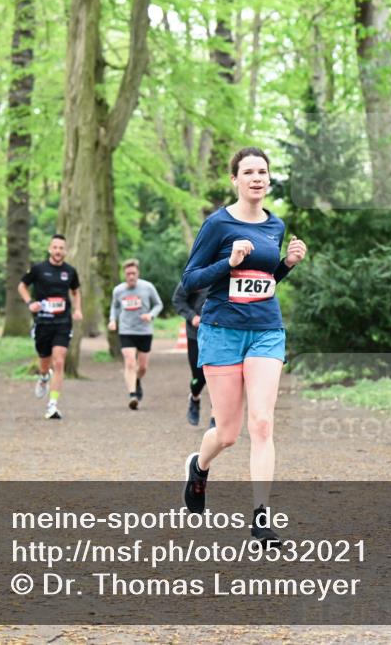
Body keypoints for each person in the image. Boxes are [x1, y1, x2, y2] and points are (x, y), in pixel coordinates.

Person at [179, 147, 307, 547]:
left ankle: (261, 518)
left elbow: (264, 282)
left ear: (269, 179)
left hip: (266, 330)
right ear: (235, 179)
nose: (257, 178)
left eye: (262, 172)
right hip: (222, 331)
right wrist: (228, 263)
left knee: (263, 423)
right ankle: (199, 467)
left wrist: (286, 265)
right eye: (248, 172)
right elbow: (189, 281)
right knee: (228, 433)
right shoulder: (218, 224)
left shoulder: (275, 225)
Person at [17, 234, 82, 420]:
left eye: (61, 248)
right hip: (43, 322)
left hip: (63, 322)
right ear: (49, 249)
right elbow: (22, 286)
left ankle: (52, 405)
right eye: (55, 247)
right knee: (44, 361)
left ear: (65, 251)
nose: (58, 251)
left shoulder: (70, 271)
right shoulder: (38, 269)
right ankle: (44, 376)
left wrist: (78, 309)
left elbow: (76, 291)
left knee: (59, 361)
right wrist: (30, 303)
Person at [107, 259, 163, 410]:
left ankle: (136, 380)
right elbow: (115, 307)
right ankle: (132, 395)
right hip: (126, 331)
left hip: (144, 331)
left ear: (138, 273)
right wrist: (112, 320)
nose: (131, 276)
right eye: (128, 274)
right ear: (124, 274)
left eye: (133, 273)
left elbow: (159, 304)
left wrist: (151, 315)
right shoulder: (118, 290)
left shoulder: (147, 287)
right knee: (130, 362)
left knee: (143, 367)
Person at [171, 282, 211, 426]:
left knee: (217, 375)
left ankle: (215, 417)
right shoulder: (194, 276)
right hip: (196, 334)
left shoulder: (225, 274)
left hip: (219, 333)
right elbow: (178, 300)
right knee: (198, 377)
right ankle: (194, 398)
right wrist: (192, 316)